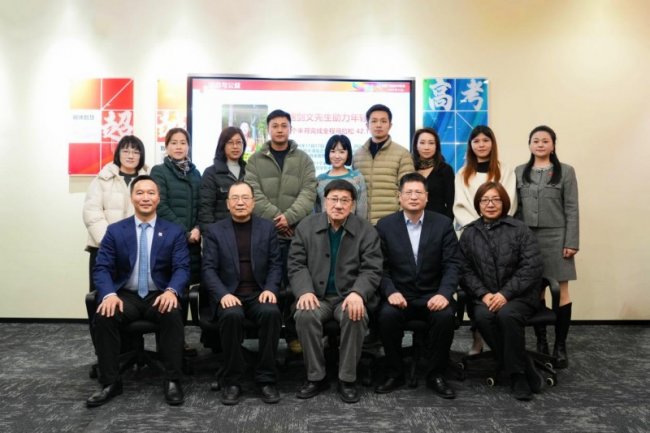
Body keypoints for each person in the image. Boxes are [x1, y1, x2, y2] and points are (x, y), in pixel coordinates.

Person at [86, 175, 190, 407]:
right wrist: (109, 294)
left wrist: (171, 291)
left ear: (158, 198)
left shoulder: (173, 231)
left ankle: (172, 380)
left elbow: (182, 268)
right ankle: (110, 382)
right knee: (104, 315)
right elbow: (102, 268)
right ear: (132, 197)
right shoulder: (115, 231)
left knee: (172, 313)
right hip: (125, 295)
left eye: (151, 193)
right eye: (140, 193)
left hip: (159, 294)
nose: (145, 198)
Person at [289, 179, 382, 403]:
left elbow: (372, 268)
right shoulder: (306, 226)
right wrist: (305, 291)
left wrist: (358, 293)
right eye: (333, 199)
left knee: (355, 314)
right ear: (324, 201)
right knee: (305, 314)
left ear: (353, 205)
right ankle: (316, 376)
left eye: (344, 200)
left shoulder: (366, 230)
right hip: (316, 296)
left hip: (348, 297)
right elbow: (296, 264)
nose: (338, 205)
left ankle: (347, 378)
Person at [375, 172, 462, 398]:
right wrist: (390, 291)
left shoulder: (442, 224)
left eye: (418, 192)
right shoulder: (385, 225)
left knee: (444, 317)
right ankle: (395, 372)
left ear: (427, 197)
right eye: (408, 192)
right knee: (386, 316)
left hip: (433, 294)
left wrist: (444, 294)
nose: (413, 197)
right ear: (399, 196)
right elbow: (379, 267)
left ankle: (436, 374)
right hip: (399, 295)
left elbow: (453, 264)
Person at [458, 181, 543, 401]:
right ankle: (524, 362)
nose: (490, 204)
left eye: (495, 199)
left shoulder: (520, 229)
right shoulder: (469, 233)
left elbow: (531, 267)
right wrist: (484, 294)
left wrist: (505, 294)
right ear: (478, 204)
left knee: (506, 315)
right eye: (485, 200)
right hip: (484, 297)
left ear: (504, 202)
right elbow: (464, 270)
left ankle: (517, 375)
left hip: (519, 296)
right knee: (483, 317)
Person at [202, 181, 283, 405]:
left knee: (271, 313)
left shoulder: (267, 228)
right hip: (229, 293)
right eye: (235, 198)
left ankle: (266, 378)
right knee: (231, 315)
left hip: (259, 292)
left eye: (245, 198)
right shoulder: (215, 231)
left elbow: (276, 265)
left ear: (253, 202)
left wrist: (270, 289)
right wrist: (222, 295)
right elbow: (208, 269)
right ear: (228, 204)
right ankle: (233, 380)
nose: (240, 202)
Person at [244, 109, 317, 354]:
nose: (279, 130)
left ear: (290, 128)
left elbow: (309, 192)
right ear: (268, 129)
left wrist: (289, 218)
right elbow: (253, 192)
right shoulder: (255, 160)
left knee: (296, 287)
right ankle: (270, 338)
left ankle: (295, 335)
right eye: (275, 125)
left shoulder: (304, 159)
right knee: (269, 286)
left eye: (284, 125)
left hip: (297, 234)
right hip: (265, 235)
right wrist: (278, 219)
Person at [515, 125, 579, 368]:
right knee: (536, 290)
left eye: (545, 141)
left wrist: (571, 241)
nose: (540, 144)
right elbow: (516, 208)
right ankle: (541, 341)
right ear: (529, 145)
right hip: (528, 238)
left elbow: (572, 207)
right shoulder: (519, 171)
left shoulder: (566, 171)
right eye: (535, 140)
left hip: (557, 238)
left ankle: (560, 345)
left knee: (561, 292)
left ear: (553, 145)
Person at [453, 125, 517, 355]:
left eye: (485, 140)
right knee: (474, 288)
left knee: (499, 284)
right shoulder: (462, 173)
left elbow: (508, 201)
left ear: (492, 143)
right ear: (470, 145)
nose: (481, 144)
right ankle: (477, 338)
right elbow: (460, 206)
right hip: (472, 237)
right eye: (476, 141)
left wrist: (493, 226)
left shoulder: (505, 171)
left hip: (502, 236)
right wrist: (479, 229)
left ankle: (501, 339)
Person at [83, 135, 149, 292]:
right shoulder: (102, 179)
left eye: (136, 152)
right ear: (118, 154)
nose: (131, 156)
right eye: (126, 151)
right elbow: (92, 212)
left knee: (129, 298)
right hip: (103, 247)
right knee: (102, 296)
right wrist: (109, 241)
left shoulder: (148, 180)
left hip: (135, 249)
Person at [151, 128, 202, 285]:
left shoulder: (196, 174)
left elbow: (202, 205)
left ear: (188, 146)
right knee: (170, 289)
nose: (178, 147)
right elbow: (161, 206)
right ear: (167, 147)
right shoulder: (159, 171)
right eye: (174, 143)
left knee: (191, 287)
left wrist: (198, 228)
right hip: (169, 240)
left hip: (194, 242)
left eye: (183, 143)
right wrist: (185, 233)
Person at [352, 104, 415, 224]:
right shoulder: (358, 155)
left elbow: (408, 189)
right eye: (374, 121)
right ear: (367, 125)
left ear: (390, 125)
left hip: (391, 222)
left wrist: (400, 219)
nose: (378, 125)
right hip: (363, 224)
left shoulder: (402, 154)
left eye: (383, 121)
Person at [198, 126, 247, 231]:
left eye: (239, 142)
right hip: (221, 233)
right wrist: (211, 235)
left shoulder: (249, 171)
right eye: (230, 142)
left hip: (246, 230)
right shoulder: (211, 173)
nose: (235, 146)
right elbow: (206, 211)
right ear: (222, 145)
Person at [315, 134, 368, 219]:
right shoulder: (320, 180)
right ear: (327, 153)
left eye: (342, 152)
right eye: (333, 151)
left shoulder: (357, 178)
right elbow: (317, 210)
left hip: (352, 226)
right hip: (325, 226)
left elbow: (362, 211)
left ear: (348, 154)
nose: (337, 156)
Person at [411, 128, 454, 219]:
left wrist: (447, 224)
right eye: (422, 143)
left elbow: (451, 203)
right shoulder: (409, 168)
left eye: (431, 143)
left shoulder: (445, 169)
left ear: (436, 146)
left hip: (438, 221)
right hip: (412, 220)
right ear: (416, 146)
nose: (426, 147)